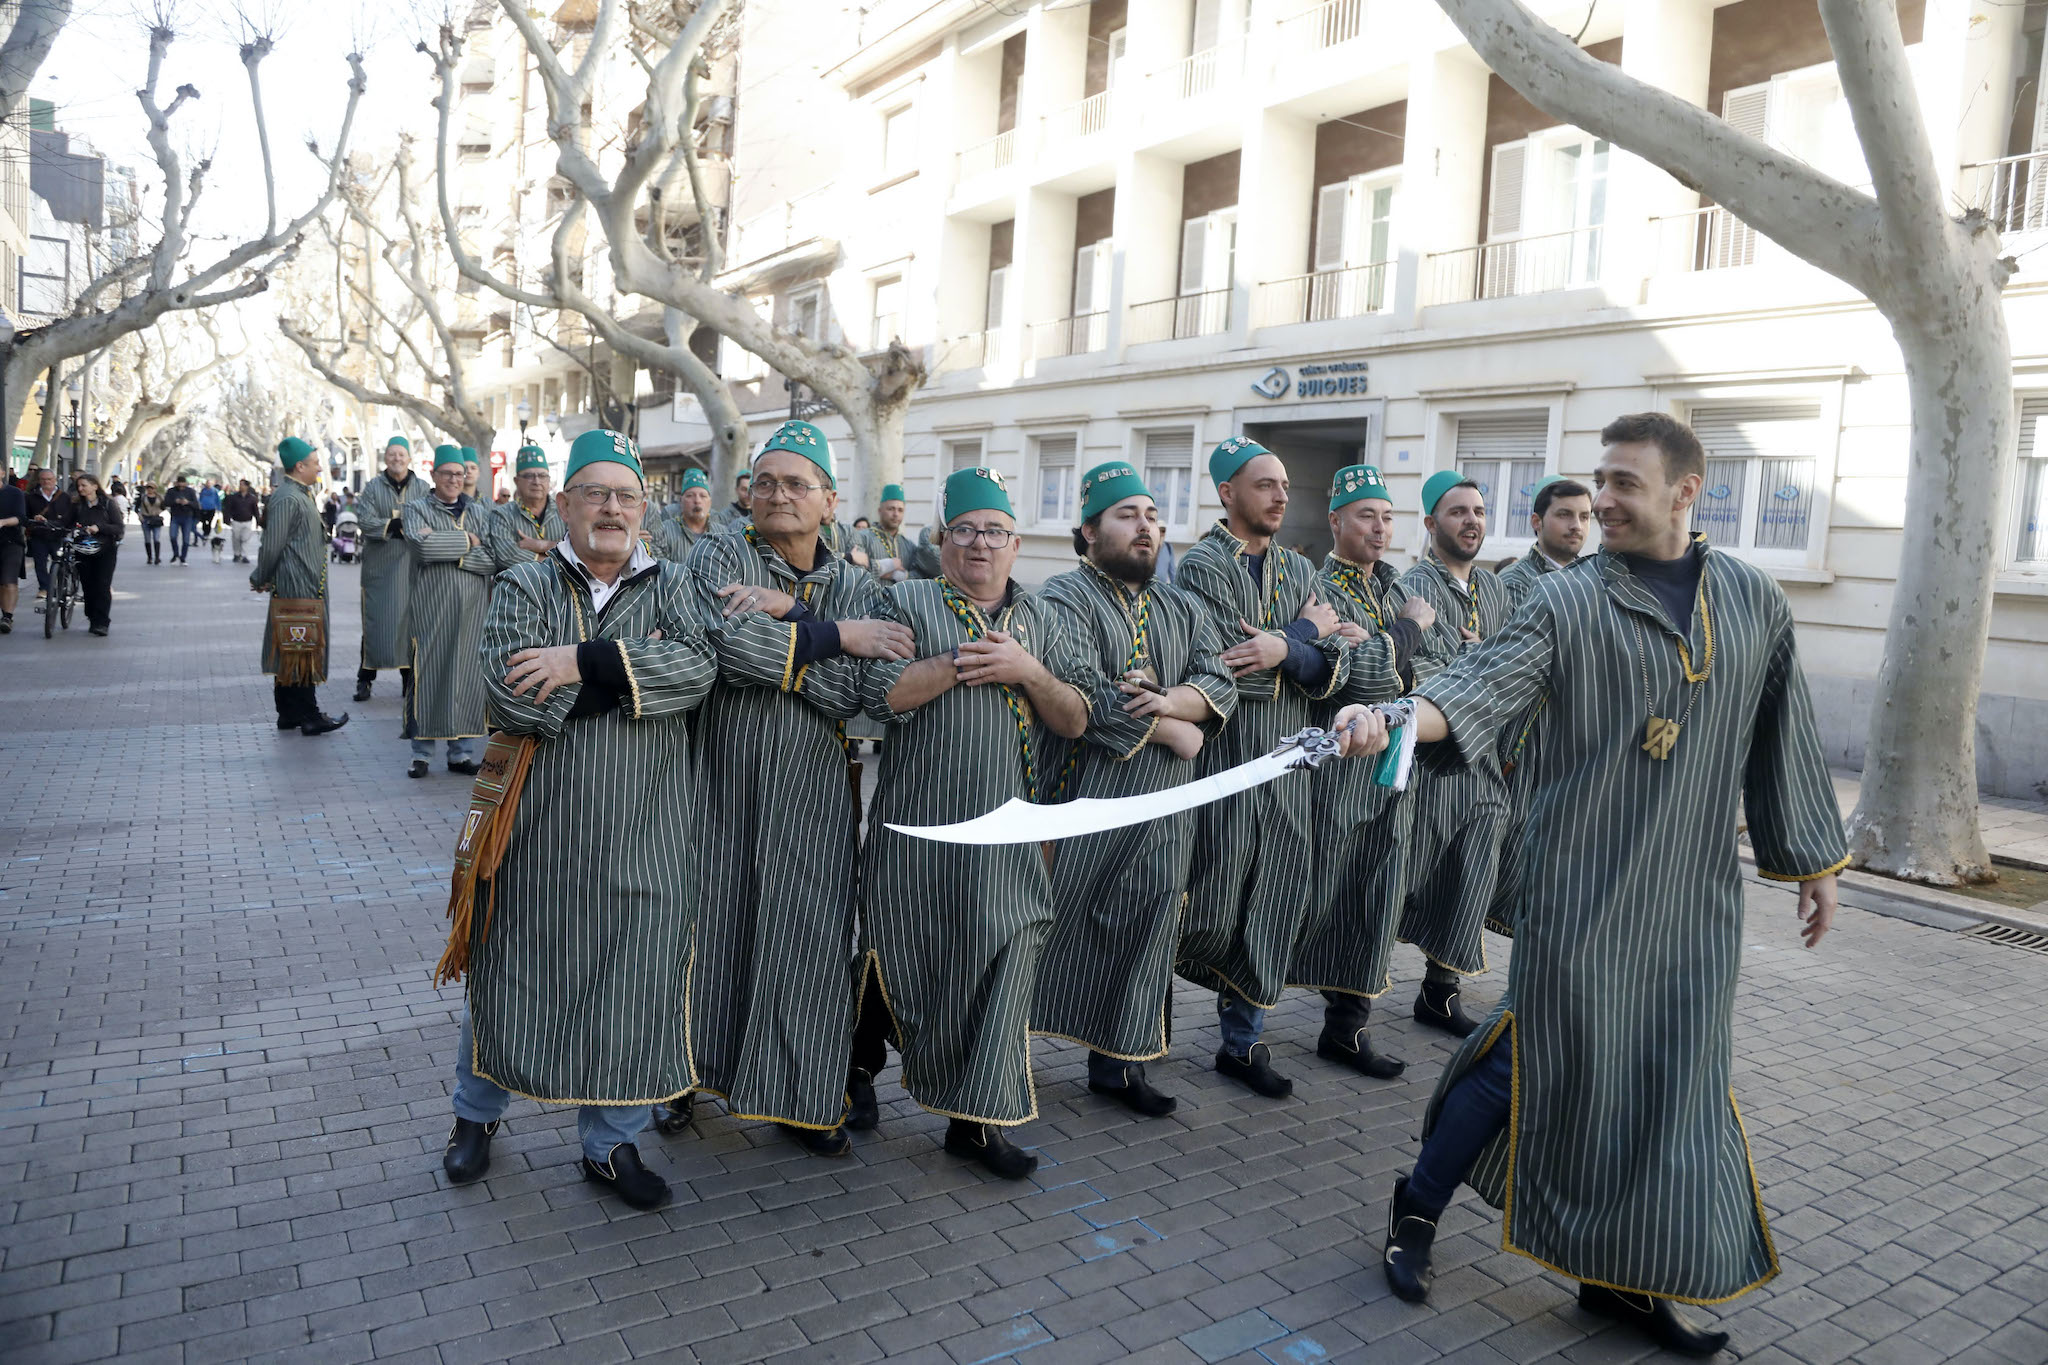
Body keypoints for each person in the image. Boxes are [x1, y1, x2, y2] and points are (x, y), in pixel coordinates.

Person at [1356, 413, 1847, 1358]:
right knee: (1529, 1059)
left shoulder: (1752, 601)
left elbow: (1784, 735)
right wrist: (1393, 716)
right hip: (1581, 881)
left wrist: (1813, 860)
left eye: (1625, 483)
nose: (1603, 502)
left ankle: (1622, 1278)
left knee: (1668, 1082)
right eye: (1599, 481)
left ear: (1685, 492)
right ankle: (1415, 1206)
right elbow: (1478, 686)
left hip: (1695, 898)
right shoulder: (1565, 601)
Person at [439, 427, 720, 1212]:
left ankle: (611, 1144)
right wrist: (634, 668)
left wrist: (580, 660)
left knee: (631, 984)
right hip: (536, 831)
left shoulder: (675, 585)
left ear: (645, 511)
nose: (611, 507)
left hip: (647, 832)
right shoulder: (526, 587)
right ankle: (475, 1116)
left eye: (626, 495)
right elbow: (506, 693)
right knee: (507, 971)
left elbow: (697, 669)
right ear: (562, 504)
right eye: (594, 493)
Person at [679, 420, 915, 1155]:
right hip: (719, 781)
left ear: (829, 499)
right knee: (709, 929)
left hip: (815, 792)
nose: (780, 495)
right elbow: (727, 645)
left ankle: (803, 1096)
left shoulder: (849, 580)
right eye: (767, 482)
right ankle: (682, 1076)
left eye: (798, 484)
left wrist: (803, 613)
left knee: (808, 942)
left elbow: (863, 693)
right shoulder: (719, 552)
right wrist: (837, 635)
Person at [853, 466, 1092, 1179]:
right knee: (899, 954)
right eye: (965, 531)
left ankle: (976, 1118)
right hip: (917, 830)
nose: (979, 545)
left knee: (1004, 958)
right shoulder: (909, 600)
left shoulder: (1045, 618)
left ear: (1016, 543)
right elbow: (882, 696)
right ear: (941, 540)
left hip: (1013, 838)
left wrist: (1025, 669)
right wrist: (962, 662)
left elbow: (1078, 716)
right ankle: (858, 1065)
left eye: (994, 532)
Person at [1031, 462, 1235, 1118]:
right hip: (1086, 797)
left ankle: (1121, 1062)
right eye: (1127, 515)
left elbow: (1220, 678)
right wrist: (1180, 732)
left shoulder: (1184, 604)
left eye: (1151, 515)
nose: (1145, 526)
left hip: (1166, 806)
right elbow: (1083, 689)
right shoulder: (1061, 597)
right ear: (1088, 530)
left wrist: (1173, 703)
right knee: (1057, 929)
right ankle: (995, 1064)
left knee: (1150, 924)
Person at [1174, 437, 1349, 1099]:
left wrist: (1292, 649)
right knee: (1210, 901)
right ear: (1227, 494)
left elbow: (1339, 671)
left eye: (1283, 484)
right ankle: (1133, 1038)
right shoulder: (1203, 565)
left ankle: (1243, 1043)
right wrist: (1298, 638)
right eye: (1264, 484)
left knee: (1277, 896)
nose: (1281, 495)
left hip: (1288, 765)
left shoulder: (1299, 569)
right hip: (1223, 759)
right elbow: (1228, 662)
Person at [1286, 465, 1441, 1078]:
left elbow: (1432, 669)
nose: (1379, 528)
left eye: (1386, 516)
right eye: (1365, 516)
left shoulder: (1397, 585)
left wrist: (1388, 641)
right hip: (1338, 773)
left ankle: (1347, 1029)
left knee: (1377, 895)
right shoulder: (1324, 590)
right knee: (1314, 892)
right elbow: (1360, 673)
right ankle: (1243, 1027)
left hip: (1395, 769)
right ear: (1335, 522)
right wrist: (1405, 632)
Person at [1396, 472, 1513, 1037]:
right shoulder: (1410, 588)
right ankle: (1346, 996)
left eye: (1479, 511)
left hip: (1485, 768)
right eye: (1458, 511)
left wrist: (1481, 663)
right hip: (1431, 769)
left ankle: (1440, 992)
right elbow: (1418, 674)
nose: (1472, 521)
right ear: (1431, 523)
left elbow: (1513, 666)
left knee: (1472, 878)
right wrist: (1478, 665)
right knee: (1405, 879)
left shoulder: (1494, 590)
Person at [402, 446, 495, 778]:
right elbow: (421, 547)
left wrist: (448, 545)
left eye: (459, 473)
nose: (454, 479)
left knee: (468, 679)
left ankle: (461, 753)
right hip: (431, 609)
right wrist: (469, 541)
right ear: (434, 476)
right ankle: (422, 754)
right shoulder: (416, 508)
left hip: (472, 612)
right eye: (447, 474)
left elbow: (493, 558)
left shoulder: (480, 512)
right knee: (429, 676)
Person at [251, 439, 349, 735]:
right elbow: (272, 545)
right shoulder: (288, 498)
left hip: (305, 586)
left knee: (293, 649)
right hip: (296, 587)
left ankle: (289, 713)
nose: (320, 466)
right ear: (300, 466)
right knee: (301, 650)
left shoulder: (299, 494)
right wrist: (260, 576)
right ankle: (309, 715)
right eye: (315, 462)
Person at [353, 438, 420, 702]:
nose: (397, 459)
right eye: (392, 454)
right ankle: (365, 679)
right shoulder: (372, 488)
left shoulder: (423, 488)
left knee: (408, 624)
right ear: (385, 458)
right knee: (375, 624)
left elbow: (429, 520)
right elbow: (365, 521)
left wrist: (404, 527)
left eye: (401, 454)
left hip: (411, 568)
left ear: (409, 458)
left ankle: (409, 681)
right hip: (379, 569)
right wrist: (396, 526)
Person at [58, 473, 124, 635]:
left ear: (95, 486)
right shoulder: (77, 505)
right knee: (88, 586)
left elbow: (118, 528)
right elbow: (64, 522)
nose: (80, 489)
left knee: (101, 585)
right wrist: (46, 521)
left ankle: (101, 622)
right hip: (83, 550)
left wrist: (99, 527)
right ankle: (92, 617)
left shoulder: (108, 504)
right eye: (78, 486)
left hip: (105, 550)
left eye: (84, 485)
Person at [485, 446, 565, 570]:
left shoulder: (565, 512)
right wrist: (557, 562)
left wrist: (541, 545)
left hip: (560, 589)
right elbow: (505, 557)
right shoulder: (501, 515)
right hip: (517, 588)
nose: (536, 481)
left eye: (542, 475)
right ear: (516, 481)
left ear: (549, 480)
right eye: (529, 476)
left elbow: (578, 550)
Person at [847, 484, 918, 585]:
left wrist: (901, 576)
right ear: (880, 511)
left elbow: (922, 575)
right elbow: (854, 571)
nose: (896, 514)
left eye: (900, 510)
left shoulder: (909, 546)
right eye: (891, 509)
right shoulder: (862, 537)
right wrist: (883, 567)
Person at [648, 466, 714, 561]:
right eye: (690, 496)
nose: (697, 501)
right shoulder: (664, 532)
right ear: (681, 501)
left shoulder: (722, 533)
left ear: (710, 502)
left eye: (703, 496)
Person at [27, 467, 70, 602]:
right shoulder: (31, 496)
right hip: (39, 535)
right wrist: (34, 520)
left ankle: (59, 586)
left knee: (60, 563)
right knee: (40, 563)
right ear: (39, 481)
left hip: (58, 535)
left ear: (55, 479)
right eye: (43, 479)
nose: (46, 482)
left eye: (49, 479)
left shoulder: (64, 497)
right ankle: (44, 587)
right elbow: (25, 516)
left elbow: (69, 517)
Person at [0, 474, 25, 633]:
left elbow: (21, 517)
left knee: (8, 580)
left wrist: (3, 522)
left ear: (2, 473)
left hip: (11, 542)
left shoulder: (15, 493)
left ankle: (8, 616)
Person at [223, 479, 261, 564]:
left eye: (243, 485)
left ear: (247, 486)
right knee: (236, 539)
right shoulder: (233, 497)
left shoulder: (252, 498)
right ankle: (237, 554)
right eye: (240, 485)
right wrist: (227, 520)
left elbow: (256, 511)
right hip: (236, 521)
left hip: (247, 522)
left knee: (245, 539)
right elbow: (228, 509)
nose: (241, 486)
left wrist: (258, 522)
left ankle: (244, 556)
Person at [163, 476, 199, 564]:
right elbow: (166, 502)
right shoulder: (171, 491)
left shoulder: (190, 491)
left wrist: (188, 502)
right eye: (180, 484)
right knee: (173, 536)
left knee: (186, 539)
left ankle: (183, 557)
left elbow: (196, 504)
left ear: (186, 484)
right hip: (175, 516)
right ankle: (176, 554)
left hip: (187, 517)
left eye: (183, 485)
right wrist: (175, 501)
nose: (181, 486)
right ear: (177, 483)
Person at [135, 484, 166, 565]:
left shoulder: (159, 497)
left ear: (155, 489)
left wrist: (160, 510)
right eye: (148, 488)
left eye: (151, 488)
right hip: (145, 519)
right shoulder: (143, 497)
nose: (150, 490)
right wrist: (140, 516)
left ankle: (157, 557)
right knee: (147, 539)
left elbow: (164, 507)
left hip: (156, 519)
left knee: (156, 538)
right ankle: (149, 557)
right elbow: (136, 508)